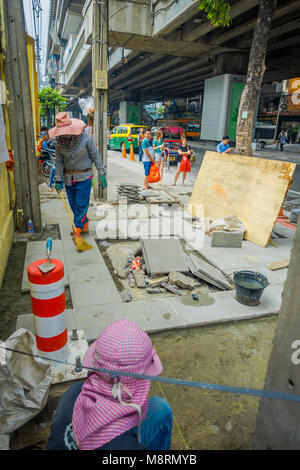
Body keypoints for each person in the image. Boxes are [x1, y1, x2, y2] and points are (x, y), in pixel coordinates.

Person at [47, 319, 173, 450]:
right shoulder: (126, 447)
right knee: (161, 409)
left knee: (160, 408)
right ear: (138, 381)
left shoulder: (74, 392)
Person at [49, 112, 107, 239]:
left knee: (81, 204)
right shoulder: (59, 143)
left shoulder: (86, 138)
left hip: (85, 177)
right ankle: (84, 223)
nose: (64, 134)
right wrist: (58, 179)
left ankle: (77, 229)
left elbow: (95, 156)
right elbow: (58, 162)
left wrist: (102, 173)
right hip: (68, 179)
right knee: (74, 205)